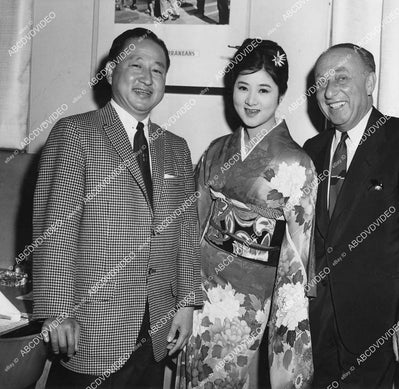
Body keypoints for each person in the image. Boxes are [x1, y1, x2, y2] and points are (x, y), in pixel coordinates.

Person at [33, 28, 202, 388]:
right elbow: (56, 230)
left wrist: (187, 303)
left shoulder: (177, 147)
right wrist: (58, 310)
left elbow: (186, 234)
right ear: (110, 71)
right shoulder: (76, 132)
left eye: (157, 70)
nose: (147, 77)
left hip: (156, 324)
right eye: (136, 64)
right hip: (92, 327)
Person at [304, 43, 399, 388]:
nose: (330, 91)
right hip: (318, 326)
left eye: (341, 78)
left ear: (370, 83)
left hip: (379, 329)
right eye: (322, 81)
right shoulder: (312, 150)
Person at [180, 39, 317, 388]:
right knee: (197, 375)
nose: (251, 100)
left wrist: (284, 319)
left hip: (253, 294)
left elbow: (295, 259)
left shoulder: (295, 163)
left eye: (264, 89)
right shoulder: (217, 149)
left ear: (280, 94)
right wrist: (183, 291)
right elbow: (192, 222)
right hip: (204, 285)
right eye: (243, 87)